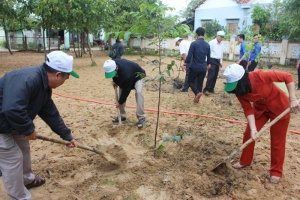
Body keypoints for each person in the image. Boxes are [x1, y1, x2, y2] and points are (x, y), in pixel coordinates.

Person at [0, 51, 79, 199]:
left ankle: (26, 180)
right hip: (3, 123)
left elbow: (50, 113)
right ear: (57, 75)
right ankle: (19, 197)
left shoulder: (43, 86)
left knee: (24, 149)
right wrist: (28, 129)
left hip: (11, 121)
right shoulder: (29, 79)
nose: (65, 81)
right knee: (13, 158)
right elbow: (12, 108)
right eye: (66, 78)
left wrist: (66, 135)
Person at [223, 63, 299, 184]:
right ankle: (245, 160)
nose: (234, 89)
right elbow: (248, 109)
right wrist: (253, 129)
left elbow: (288, 76)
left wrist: (293, 99)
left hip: (279, 107)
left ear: (242, 80)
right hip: (260, 110)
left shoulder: (261, 76)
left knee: (277, 141)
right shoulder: (239, 91)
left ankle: (276, 171)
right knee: (248, 133)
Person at [103, 59, 146, 128]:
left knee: (138, 92)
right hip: (127, 76)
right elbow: (114, 75)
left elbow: (126, 90)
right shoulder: (111, 64)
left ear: (116, 68)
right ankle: (122, 115)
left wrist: (120, 102)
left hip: (138, 76)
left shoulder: (125, 74)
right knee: (121, 95)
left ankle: (141, 118)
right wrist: (115, 81)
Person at [185, 27, 210, 103]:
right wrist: (208, 64)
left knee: (190, 81)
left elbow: (189, 56)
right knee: (200, 83)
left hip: (195, 67)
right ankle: (197, 99)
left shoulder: (194, 44)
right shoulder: (207, 45)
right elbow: (209, 57)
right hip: (203, 67)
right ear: (204, 34)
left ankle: (197, 93)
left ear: (196, 34)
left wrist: (185, 63)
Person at [203, 30, 225, 96]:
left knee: (215, 75)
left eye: (223, 37)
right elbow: (208, 53)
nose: (222, 38)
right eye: (221, 37)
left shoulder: (222, 44)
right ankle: (206, 89)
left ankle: (211, 88)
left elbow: (221, 53)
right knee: (211, 75)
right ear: (217, 36)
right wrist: (208, 62)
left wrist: (221, 62)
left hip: (217, 60)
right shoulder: (212, 42)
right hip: (212, 60)